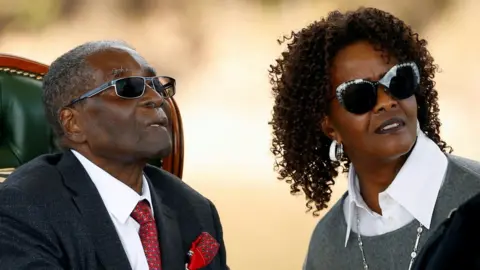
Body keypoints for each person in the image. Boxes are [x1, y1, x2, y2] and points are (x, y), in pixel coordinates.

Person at [268, 7, 480, 270]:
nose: (386, 102)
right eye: (359, 95)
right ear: (329, 126)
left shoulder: (475, 194)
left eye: (398, 80)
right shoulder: (327, 246)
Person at [0, 40, 228, 270]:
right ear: (73, 123)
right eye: (128, 87)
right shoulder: (24, 208)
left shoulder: (194, 208)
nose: (157, 99)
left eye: (156, 85)